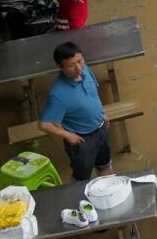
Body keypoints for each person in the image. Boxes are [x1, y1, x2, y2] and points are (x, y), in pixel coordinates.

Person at [38, 42, 111, 182]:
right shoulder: (58, 94)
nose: (78, 68)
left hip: (101, 128)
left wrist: (102, 113)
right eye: (71, 65)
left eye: (80, 61)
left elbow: (93, 94)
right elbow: (44, 124)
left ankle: (109, 191)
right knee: (82, 177)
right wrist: (67, 135)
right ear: (60, 67)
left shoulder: (86, 70)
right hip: (82, 140)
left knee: (105, 165)